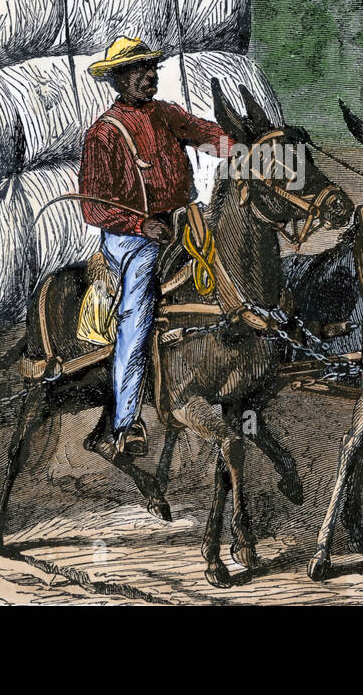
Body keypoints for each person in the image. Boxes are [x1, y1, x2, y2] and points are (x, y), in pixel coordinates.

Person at [79, 37, 234, 457]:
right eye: (137, 69)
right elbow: (93, 206)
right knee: (137, 308)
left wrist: (252, 149)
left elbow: (208, 137)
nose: (149, 75)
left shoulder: (166, 115)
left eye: (152, 68)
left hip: (181, 222)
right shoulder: (103, 134)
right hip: (130, 238)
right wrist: (140, 224)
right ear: (118, 79)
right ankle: (126, 423)